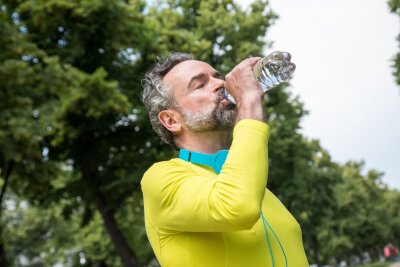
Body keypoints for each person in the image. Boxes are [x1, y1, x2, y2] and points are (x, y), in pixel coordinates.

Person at [141, 52, 309, 267]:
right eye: (200, 84)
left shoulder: (254, 184)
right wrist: (248, 101)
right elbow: (237, 206)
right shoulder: (160, 179)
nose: (221, 83)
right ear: (171, 120)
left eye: (217, 76)